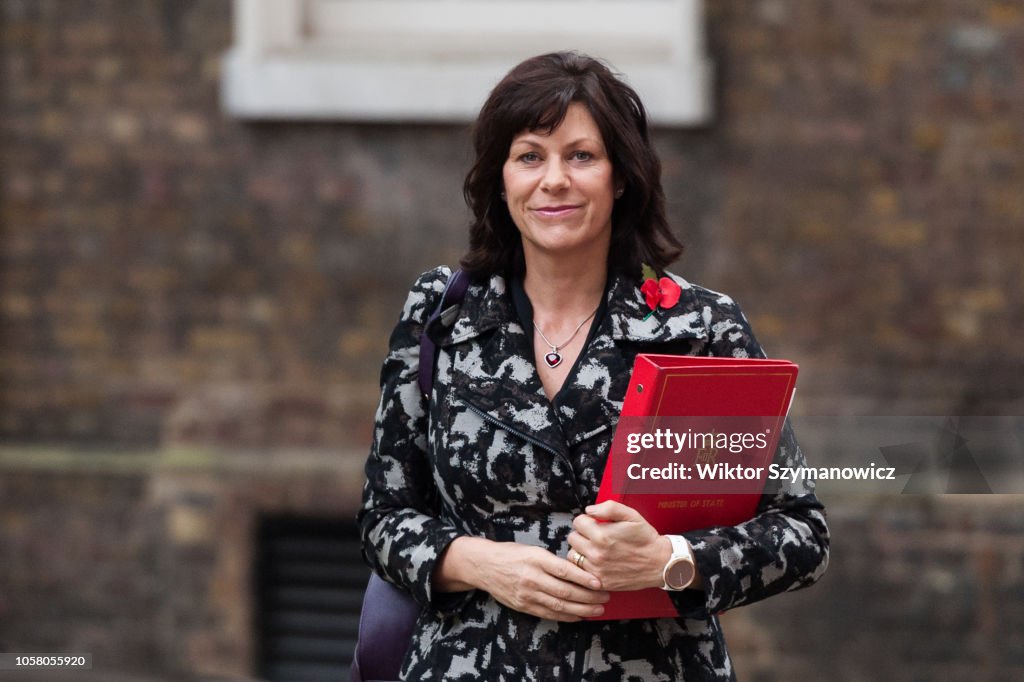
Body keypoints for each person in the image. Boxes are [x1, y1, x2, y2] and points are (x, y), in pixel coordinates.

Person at [358, 51, 829, 680]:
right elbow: (384, 518)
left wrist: (670, 560)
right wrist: (477, 561)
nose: (554, 179)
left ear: (622, 177)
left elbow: (800, 533)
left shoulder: (698, 328)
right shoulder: (442, 315)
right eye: (530, 156)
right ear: (501, 179)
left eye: (581, 156)